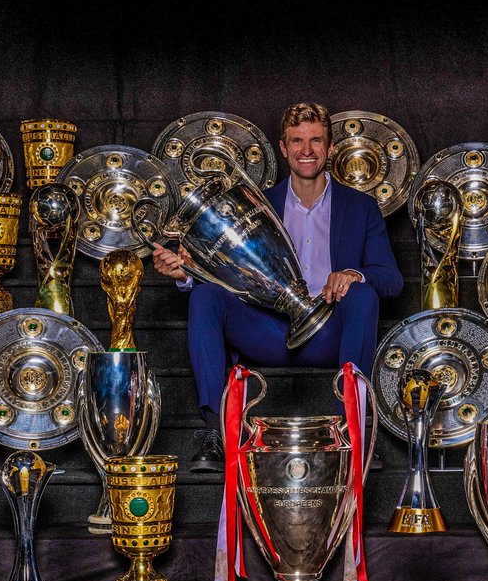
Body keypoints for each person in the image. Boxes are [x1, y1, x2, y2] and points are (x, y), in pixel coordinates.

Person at [152, 102, 404, 470]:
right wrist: (185, 275)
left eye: (316, 141)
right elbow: (227, 276)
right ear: (282, 148)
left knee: (364, 295)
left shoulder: (360, 207)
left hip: (329, 333)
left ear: (331, 148)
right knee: (205, 294)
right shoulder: (258, 202)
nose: (307, 150)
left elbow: (391, 279)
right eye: (297, 141)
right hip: (269, 331)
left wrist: (354, 274)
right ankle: (216, 432)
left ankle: (350, 431)